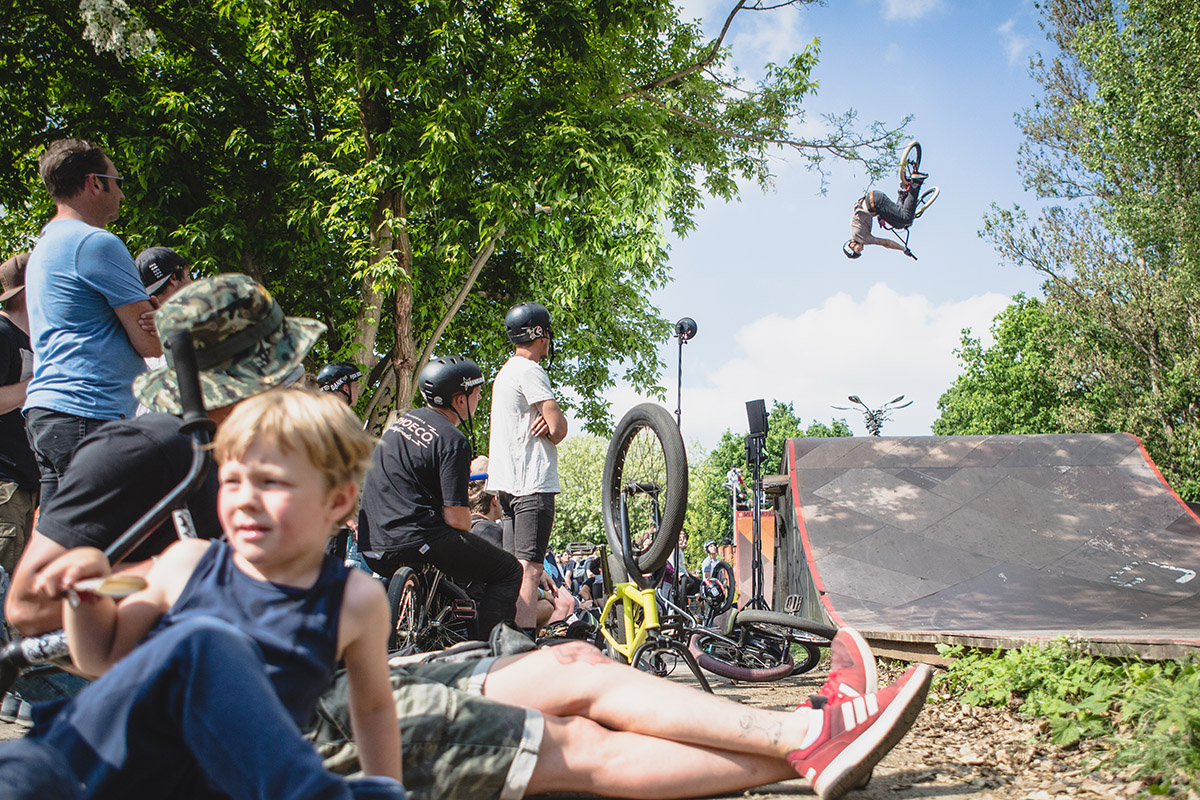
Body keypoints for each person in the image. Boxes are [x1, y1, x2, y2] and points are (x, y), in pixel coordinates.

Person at [2, 389, 405, 799]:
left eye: (271, 482)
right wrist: (84, 600)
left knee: (207, 642)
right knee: (202, 642)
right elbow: (104, 657)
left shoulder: (354, 599)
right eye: (231, 479)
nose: (246, 499)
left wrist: (388, 786)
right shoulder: (187, 562)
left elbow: (372, 708)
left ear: (336, 501)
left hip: (233, 782)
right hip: (132, 771)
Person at [5, 273, 325, 636]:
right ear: (239, 384)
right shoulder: (143, 449)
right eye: (284, 377)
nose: (295, 392)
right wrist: (161, 574)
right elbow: (29, 605)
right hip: (103, 676)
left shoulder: (232, 458)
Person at [310, 625, 932, 800]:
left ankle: (818, 737)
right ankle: (809, 738)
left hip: (333, 678)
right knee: (574, 744)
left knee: (573, 664)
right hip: (308, 729)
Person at [22, 139, 162, 507]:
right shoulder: (97, 243)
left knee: (61, 544)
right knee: (107, 547)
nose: (120, 193)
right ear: (93, 183)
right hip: (91, 414)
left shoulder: (45, 246)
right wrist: (161, 318)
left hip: (52, 414)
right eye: (116, 181)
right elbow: (152, 342)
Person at [357, 356, 522, 639]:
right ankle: (487, 655)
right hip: (415, 539)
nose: (480, 398)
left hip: (371, 543)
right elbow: (457, 519)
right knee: (508, 570)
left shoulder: (398, 424)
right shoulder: (452, 440)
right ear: (460, 400)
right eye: (478, 393)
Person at [487, 302, 567, 636]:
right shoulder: (531, 371)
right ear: (540, 334)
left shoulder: (504, 373)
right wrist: (552, 424)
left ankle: (500, 637)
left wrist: (545, 423)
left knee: (512, 569)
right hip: (532, 483)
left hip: (506, 487)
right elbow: (559, 428)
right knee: (530, 569)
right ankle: (521, 642)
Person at [0, 254, 38, 577]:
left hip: (26, 483)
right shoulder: (1, 333)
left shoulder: (30, 339)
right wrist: (39, 381)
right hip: (4, 486)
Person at [842, 168, 930, 259]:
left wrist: (903, 249)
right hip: (873, 202)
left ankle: (916, 182)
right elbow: (861, 213)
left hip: (876, 203)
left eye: (858, 250)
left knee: (906, 217)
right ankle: (903, 193)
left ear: (852, 244)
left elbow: (886, 243)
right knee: (899, 224)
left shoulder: (862, 238)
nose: (862, 249)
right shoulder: (856, 232)